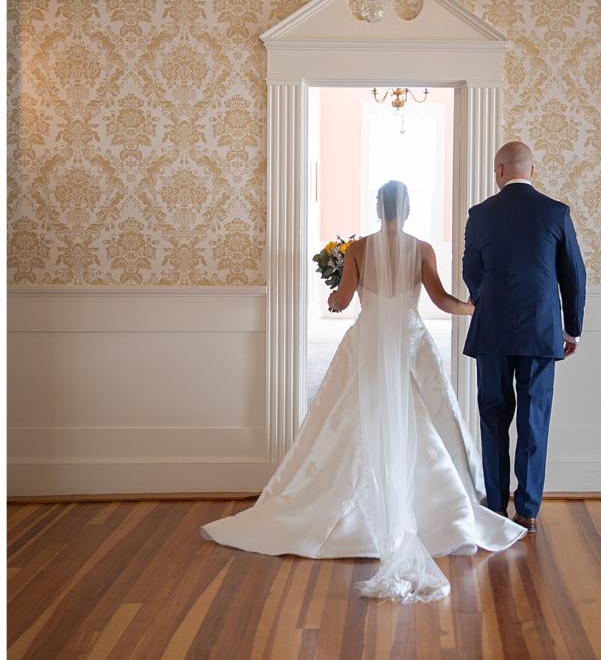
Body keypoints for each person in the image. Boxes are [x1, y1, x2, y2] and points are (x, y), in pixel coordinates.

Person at [201, 180, 526, 604]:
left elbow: (342, 299)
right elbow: (442, 299)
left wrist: (334, 297)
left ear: (378, 209)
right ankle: (441, 511)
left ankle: (345, 514)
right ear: (407, 209)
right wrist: (474, 308)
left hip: (371, 337)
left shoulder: (357, 250)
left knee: (353, 413)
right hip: (409, 338)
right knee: (423, 415)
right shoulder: (422, 249)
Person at [463, 141, 587, 532]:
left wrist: (485, 296)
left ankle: (497, 505)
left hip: (493, 332)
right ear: (531, 171)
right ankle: (528, 511)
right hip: (541, 331)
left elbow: (471, 270)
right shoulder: (555, 212)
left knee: (493, 417)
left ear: (499, 170)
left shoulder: (479, 215)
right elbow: (574, 275)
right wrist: (573, 329)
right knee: (534, 419)